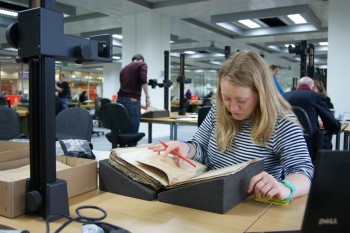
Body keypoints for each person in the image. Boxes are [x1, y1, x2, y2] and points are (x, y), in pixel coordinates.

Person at [149, 50, 313, 202]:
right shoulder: (218, 110)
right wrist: (186, 149)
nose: (232, 108)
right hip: (209, 196)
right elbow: (200, 147)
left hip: (250, 206)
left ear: (261, 94)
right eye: (226, 98)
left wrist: (285, 187)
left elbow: (303, 172)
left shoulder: (281, 122)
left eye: (242, 100)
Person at [283, 76, 340, 154]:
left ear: (297, 86)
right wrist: (337, 125)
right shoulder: (316, 96)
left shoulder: (284, 96)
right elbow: (330, 122)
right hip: (310, 144)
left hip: (286, 140)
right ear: (313, 87)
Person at [117, 54, 151, 133]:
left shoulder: (124, 68)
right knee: (132, 132)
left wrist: (140, 105)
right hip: (131, 102)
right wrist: (147, 97)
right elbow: (143, 79)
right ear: (141, 60)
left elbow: (126, 91)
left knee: (123, 129)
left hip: (120, 101)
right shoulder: (142, 64)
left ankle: (123, 145)